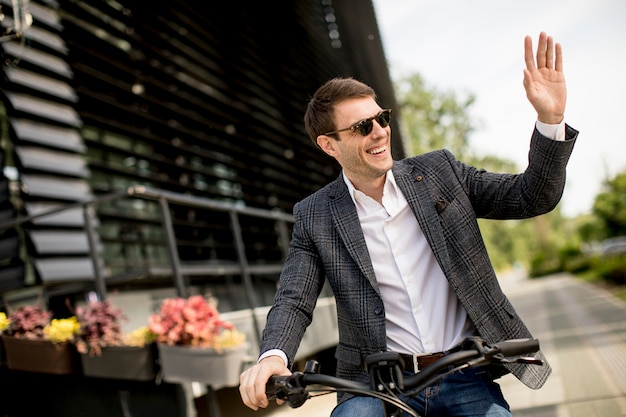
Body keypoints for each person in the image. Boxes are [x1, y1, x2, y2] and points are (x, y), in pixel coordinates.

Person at [239, 32, 577, 416]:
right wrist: (273, 356)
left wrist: (551, 120)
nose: (380, 132)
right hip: (376, 385)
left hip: (462, 372)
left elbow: (531, 196)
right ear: (329, 145)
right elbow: (294, 299)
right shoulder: (316, 215)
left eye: (381, 119)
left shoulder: (440, 172)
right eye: (362, 127)